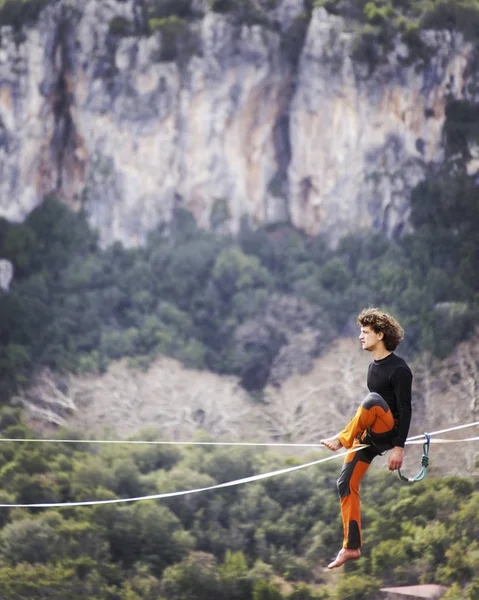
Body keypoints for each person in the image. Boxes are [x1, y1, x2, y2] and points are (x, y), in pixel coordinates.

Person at [321, 308, 412, 570]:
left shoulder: (400, 369)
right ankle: (351, 546)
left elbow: (406, 410)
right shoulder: (373, 367)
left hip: (389, 433)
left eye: (365, 332)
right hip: (370, 434)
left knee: (371, 400)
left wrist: (399, 448)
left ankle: (342, 438)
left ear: (380, 335)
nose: (360, 337)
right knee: (345, 483)